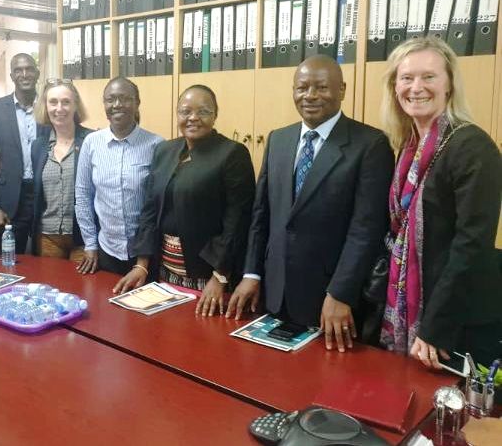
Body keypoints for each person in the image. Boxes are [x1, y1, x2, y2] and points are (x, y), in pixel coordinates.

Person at [226, 55, 395, 353]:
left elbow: (365, 230)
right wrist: (251, 273)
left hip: (331, 301)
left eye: (321, 87)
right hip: (274, 293)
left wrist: (341, 293)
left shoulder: (370, 145)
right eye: (302, 87)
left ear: (342, 90)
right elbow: (261, 215)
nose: (310, 96)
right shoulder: (279, 139)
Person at [378, 37, 502, 367]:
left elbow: (471, 246)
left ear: (449, 85)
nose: (416, 87)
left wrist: (434, 328)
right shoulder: (408, 148)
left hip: (451, 325)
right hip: (412, 308)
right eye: (406, 78)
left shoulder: (472, 147)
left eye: (428, 77)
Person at [112, 85, 255, 313]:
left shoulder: (232, 154)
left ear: (216, 114)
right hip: (163, 271)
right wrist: (142, 265)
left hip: (207, 276)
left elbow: (237, 222)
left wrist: (220, 276)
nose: (193, 118)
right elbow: (149, 209)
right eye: (185, 111)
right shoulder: (164, 150)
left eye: (204, 111)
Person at [75, 77, 164, 275]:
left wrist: (145, 258)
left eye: (124, 98)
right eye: (110, 99)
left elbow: (159, 205)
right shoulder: (91, 143)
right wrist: (90, 244)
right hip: (107, 251)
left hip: (147, 254)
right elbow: (83, 196)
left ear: (137, 102)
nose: (117, 105)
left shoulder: (157, 145)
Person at [0, 53, 43, 254]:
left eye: (29, 69)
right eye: (18, 70)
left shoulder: (49, 107)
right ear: (11, 76)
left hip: (45, 197)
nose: (24, 74)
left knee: (46, 261)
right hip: (10, 200)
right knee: (10, 262)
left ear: (37, 73)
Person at [30, 79, 93, 261]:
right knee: (53, 288)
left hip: (83, 237)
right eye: (53, 102)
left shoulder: (91, 140)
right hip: (48, 237)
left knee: (83, 289)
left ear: (75, 106)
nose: (59, 108)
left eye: (66, 102)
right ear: (45, 106)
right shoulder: (38, 146)